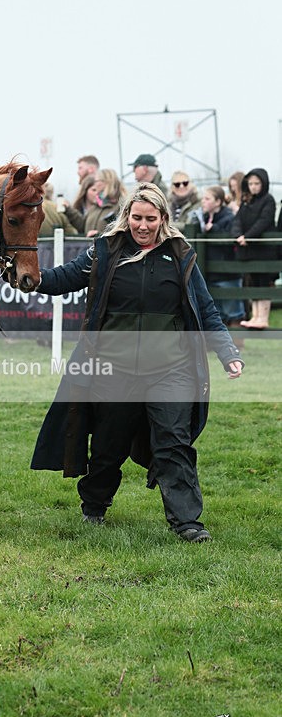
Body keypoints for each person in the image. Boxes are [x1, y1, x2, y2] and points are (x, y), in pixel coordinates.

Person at [31, 183, 243, 542]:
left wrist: (228, 353)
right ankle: (94, 507)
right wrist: (29, 278)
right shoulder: (105, 251)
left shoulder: (181, 255)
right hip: (113, 369)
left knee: (173, 442)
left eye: (150, 219)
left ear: (163, 218)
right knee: (107, 445)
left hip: (172, 370)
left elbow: (205, 309)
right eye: (136, 218)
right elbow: (63, 278)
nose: (142, 226)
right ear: (126, 215)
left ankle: (187, 522)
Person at [191, 186, 244, 327]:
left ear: (218, 202)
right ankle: (221, 347)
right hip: (211, 273)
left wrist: (214, 229)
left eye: (207, 199)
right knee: (217, 314)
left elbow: (230, 239)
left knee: (234, 312)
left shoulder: (230, 218)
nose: (203, 202)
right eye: (203, 198)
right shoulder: (204, 218)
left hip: (228, 274)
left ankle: (238, 345)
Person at [231, 168, 277, 329]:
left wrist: (248, 237)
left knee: (264, 282)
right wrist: (238, 235)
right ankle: (256, 317)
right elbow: (237, 220)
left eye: (257, 183)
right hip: (249, 250)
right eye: (250, 183)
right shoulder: (246, 201)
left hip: (265, 251)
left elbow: (264, 221)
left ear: (263, 183)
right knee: (254, 281)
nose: (254, 187)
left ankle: (263, 317)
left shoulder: (268, 200)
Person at [62, 169, 127, 237]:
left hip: (107, 247)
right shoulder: (96, 206)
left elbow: (122, 234)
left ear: (106, 182)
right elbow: (83, 226)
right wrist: (68, 210)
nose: (95, 184)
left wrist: (99, 236)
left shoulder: (121, 206)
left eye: (96, 181)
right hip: (91, 247)